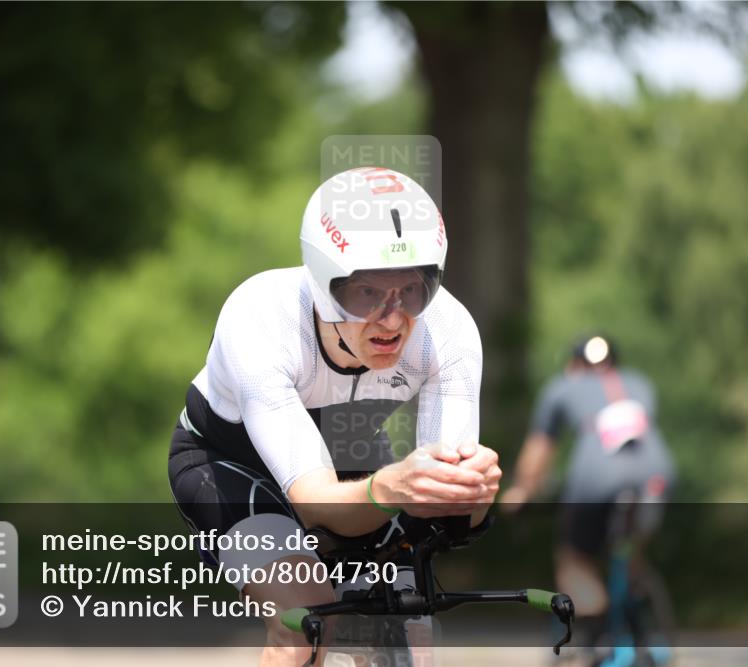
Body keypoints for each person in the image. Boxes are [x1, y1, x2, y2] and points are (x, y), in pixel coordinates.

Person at [168, 167, 501, 667]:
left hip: (350, 456)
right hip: (230, 465)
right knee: (306, 621)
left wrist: (470, 495)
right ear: (325, 285)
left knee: (414, 632)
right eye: (367, 293)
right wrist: (393, 489)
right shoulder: (260, 316)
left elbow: (450, 519)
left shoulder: (448, 330)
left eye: (413, 290)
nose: (393, 318)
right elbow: (313, 500)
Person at [500, 334, 676, 659]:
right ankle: (637, 608)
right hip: (656, 473)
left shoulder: (563, 386)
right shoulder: (639, 382)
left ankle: (595, 631)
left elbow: (539, 452)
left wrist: (522, 491)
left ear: (573, 365)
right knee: (630, 548)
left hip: (596, 476)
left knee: (575, 559)